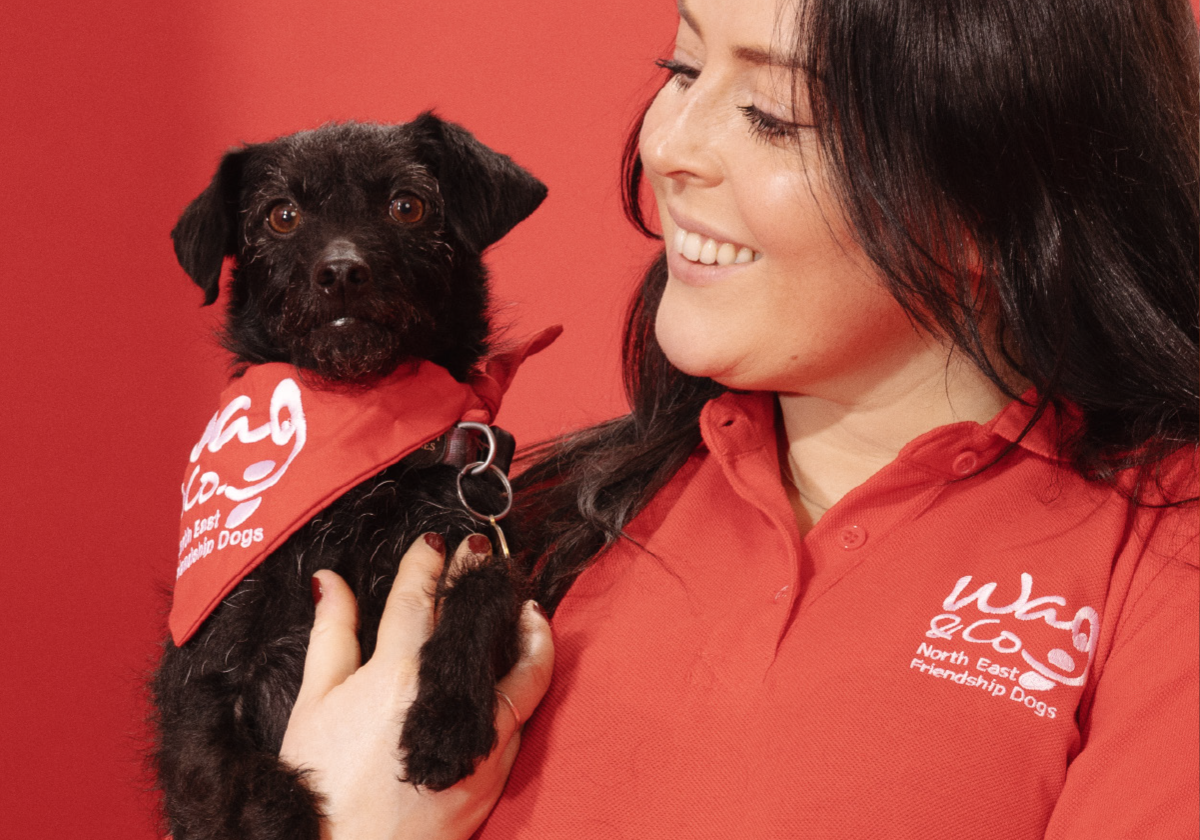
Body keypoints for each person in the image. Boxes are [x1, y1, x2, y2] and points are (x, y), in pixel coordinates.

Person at [278, 0, 1200, 836]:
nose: (668, 144)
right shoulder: (523, 524)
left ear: (994, 201)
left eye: (772, 113)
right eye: (681, 69)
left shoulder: (1159, 557)